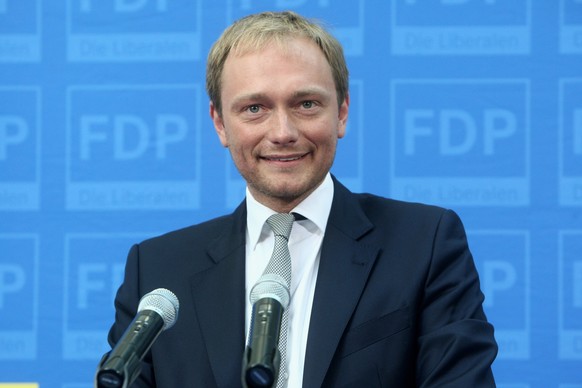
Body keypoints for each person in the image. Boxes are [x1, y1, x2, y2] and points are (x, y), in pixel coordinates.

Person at [104, 10, 498, 387]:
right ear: (220, 123)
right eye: (255, 108)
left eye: (306, 104)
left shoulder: (422, 244)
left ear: (341, 112)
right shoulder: (158, 270)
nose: (282, 132)